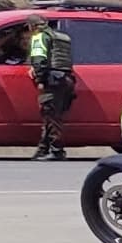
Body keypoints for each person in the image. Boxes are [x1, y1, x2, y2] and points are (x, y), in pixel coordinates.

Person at [24, 15, 77, 159]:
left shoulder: (39, 37)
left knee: (52, 116)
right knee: (50, 116)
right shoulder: (62, 37)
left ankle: (57, 150)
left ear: (31, 26)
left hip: (51, 81)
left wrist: (40, 79)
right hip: (66, 79)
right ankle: (43, 149)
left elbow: (39, 59)